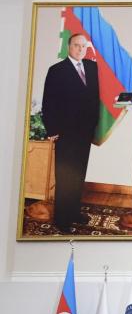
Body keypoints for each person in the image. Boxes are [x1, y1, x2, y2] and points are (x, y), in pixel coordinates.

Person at [41, 32, 101, 232]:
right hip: (65, 132)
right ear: (69, 46)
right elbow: (48, 102)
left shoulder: (92, 67)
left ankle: (74, 212)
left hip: (85, 131)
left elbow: (95, 97)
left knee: (78, 174)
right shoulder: (57, 70)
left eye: (84, 46)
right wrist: (52, 129)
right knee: (65, 175)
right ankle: (62, 219)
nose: (80, 49)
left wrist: (94, 125)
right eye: (76, 45)